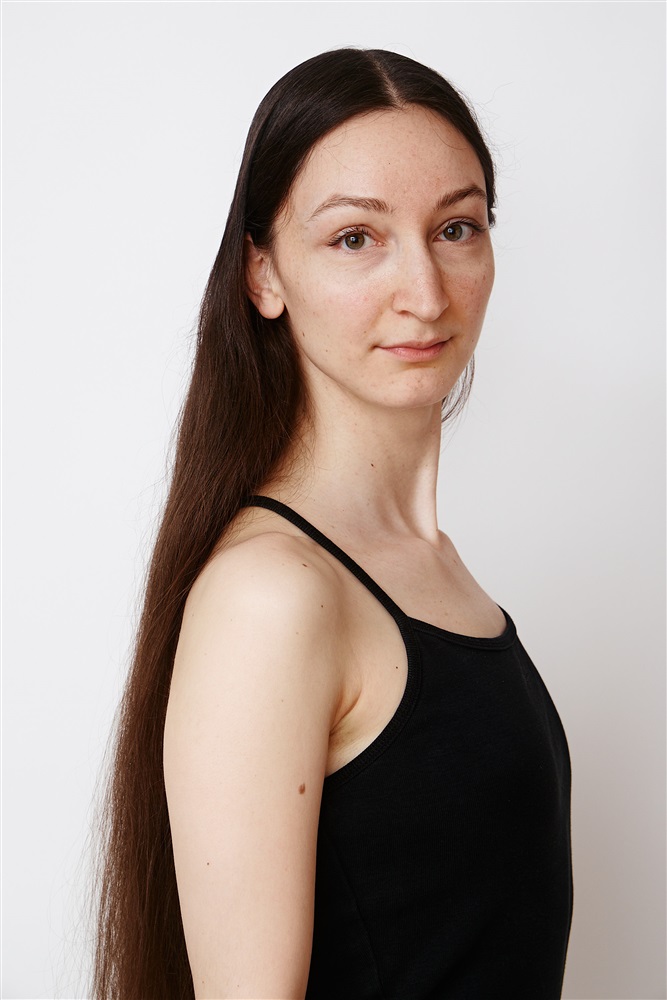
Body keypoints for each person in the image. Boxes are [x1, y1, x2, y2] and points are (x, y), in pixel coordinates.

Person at [92, 48, 573, 1000]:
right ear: (263, 275)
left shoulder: (429, 565)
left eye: (456, 228)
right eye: (356, 238)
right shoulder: (271, 595)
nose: (425, 292)